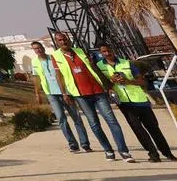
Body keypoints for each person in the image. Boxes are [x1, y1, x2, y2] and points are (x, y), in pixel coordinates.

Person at [48, 31, 135, 162]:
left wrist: (107, 85)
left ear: (69, 39)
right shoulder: (55, 56)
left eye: (65, 39)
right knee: (94, 124)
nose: (63, 41)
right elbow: (59, 76)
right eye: (60, 40)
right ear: (57, 42)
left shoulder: (80, 51)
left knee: (112, 121)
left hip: (98, 91)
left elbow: (94, 67)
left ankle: (124, 151)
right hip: (80, 95)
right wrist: (64, 93)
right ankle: (108, 150)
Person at [96, 44, 177, 163]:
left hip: (140, 100)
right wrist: (111, 82)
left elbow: (142, 81)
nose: (107, 53)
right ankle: (153, 154)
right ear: (101, 53)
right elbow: (102, 84)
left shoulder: (127, 63)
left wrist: (128, 81)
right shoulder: (99, 67)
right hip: (123, 102)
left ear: (113, 50)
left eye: (109, 50)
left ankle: (167, 153)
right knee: (138, 129)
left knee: (153, 128)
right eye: (104, 51)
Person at [30, 40, 90, 153]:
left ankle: (85, 143)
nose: (38, 50)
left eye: (39, 47)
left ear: (43, 47)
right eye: (35, 49)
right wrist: (37, 93)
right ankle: (72, 144)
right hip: (51, 94)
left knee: (76, 117)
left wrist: (67, 91)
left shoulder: (53, 58)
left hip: (65, 92)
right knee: (61, 118)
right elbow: (36, 78)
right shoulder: (34, 62)